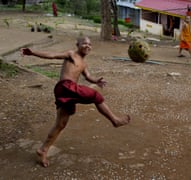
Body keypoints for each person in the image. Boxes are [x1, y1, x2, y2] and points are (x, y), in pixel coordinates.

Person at [20, 36, 131, 167]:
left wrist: (96, 81)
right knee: (96, 96)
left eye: (90, 44)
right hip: (66, 86)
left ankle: (43, 149)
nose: (87, 46)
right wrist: (33, 52)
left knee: (61, 124)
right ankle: (115, 120)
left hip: (68, 93)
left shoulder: (84, 63)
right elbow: (52, 55)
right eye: (84, 43)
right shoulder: (71, 54)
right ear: (77, 44)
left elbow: (88, 76)